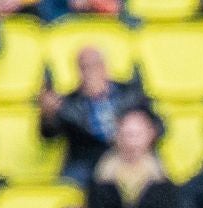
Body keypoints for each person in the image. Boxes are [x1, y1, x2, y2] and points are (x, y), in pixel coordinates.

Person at [88, 107, 181, 208]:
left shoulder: (161, 176)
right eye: (126, 135)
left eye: (137, 135)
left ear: (150, 135)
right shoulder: (102, 175)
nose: (131, 142)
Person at [39, 46, 148, 184]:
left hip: (130, 155)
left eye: (94, 65)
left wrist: (137, 136)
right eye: (84, 67)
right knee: (69, 184)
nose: (90, 72)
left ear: (105, 66)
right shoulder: (69, 102)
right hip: (87, 160)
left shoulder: (130, 93)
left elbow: (158, 126)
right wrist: (48, 115)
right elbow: (49, 135)